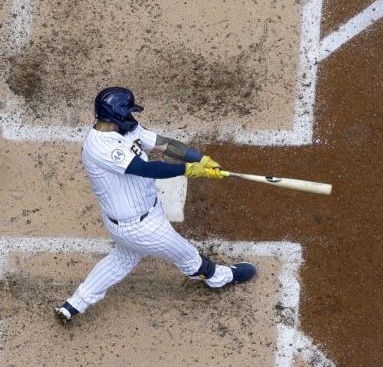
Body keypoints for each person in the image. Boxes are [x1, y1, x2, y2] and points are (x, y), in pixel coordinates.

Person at [55, 87, 256, 323]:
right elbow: (145, 169)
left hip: (138, 216)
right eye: (128, 111)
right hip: (139, 228)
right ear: (115, 115)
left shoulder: (125, 127)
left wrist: (199, 158)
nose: (132, 116)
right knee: (189, 257)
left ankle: (73, 305)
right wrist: (189, 170)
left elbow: (163, 144)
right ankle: (219, 278)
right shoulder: (101, 147)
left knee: (122, 259)